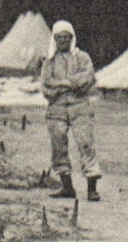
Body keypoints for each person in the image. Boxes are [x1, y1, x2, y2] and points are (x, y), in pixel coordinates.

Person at [39, 20, 101, 201]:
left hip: (79, 106)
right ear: (54, 39)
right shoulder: (48, 62)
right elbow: (46, 88)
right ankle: (67, 187)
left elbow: (86, 79)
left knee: (86, 144)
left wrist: (62, 83)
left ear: (72, 38)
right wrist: (69, 85)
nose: (62, 41)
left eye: (66, 37)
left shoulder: (82, 58)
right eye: (59, 38)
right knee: (58, 146)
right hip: (56, 109)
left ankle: (92, 188)